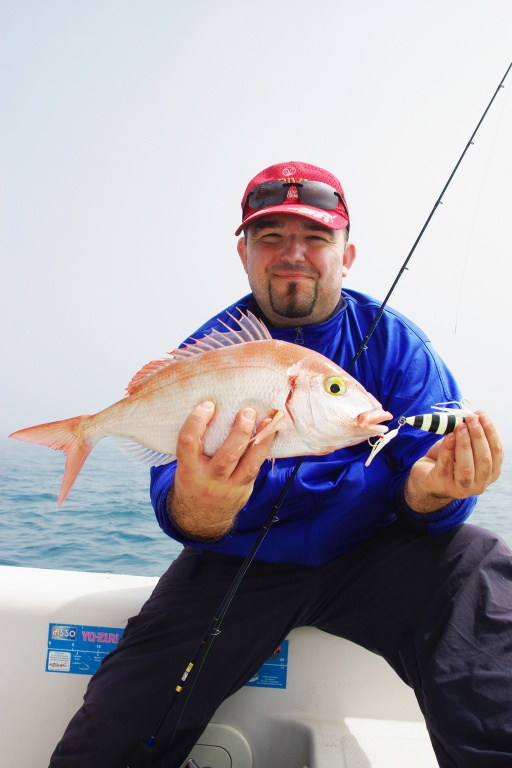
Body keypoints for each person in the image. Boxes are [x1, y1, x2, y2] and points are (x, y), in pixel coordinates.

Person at [49, 161, 510, 768]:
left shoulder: (398, 347)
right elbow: (176, 501)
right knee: (115, 733)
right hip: (238, 561)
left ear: (346, 255)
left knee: (478, 566)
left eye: (316, 238)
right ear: (243, 253)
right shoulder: (209, 351)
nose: (293, 254)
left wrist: (431, 497)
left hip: (372, 553)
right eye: (270, 238)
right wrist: (202, 506)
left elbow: (430, 474)